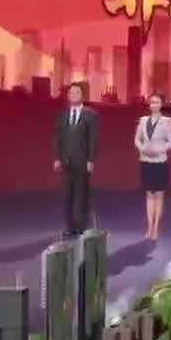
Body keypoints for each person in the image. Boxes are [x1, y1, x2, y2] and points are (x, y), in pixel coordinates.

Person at [53, 82, 99, 239]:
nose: (73, 95)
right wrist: (57, 158)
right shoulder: (63, 115)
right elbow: (58, 138)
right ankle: (69, 227)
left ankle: (80, 227)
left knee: (80, 195)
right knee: (68, 195)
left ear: (83, 96)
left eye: (77, 93)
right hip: (66, 161)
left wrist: (91, 160)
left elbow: (93, 139)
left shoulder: (90, 115)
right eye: (71, 93)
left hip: (82, 161)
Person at [134, 93, 171, 241]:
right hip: (145, 161)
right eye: (151, 102)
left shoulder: (167, 121)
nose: (154, 105)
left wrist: (158, 150)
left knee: (158, 195)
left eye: (157, 102)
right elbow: (137, 139)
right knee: (149, 195)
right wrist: (143, 149)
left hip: (160, 162)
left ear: (161, 104)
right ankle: (149, 227)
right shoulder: (143, 120)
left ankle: (156, 227)